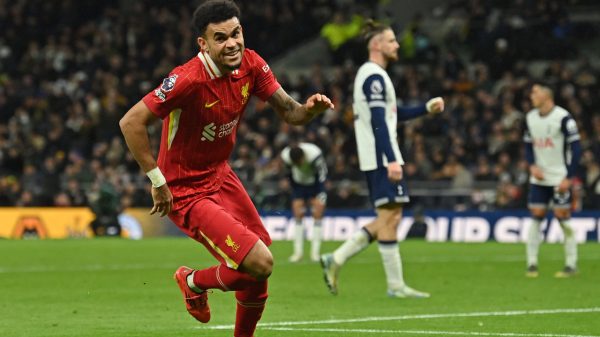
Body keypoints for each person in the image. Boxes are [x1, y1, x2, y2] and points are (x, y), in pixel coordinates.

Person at [119, 1, 334, 336]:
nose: (232, 43)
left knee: (257, 274)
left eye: (236, 33)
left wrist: (309, 110)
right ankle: (192, 281)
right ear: (203, 44)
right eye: (220, 38)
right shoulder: (186, 79)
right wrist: (157, 180)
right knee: (259, 263)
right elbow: (131, 122)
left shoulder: (251, 64)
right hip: (186, 190)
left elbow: (290, 112)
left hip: (221, 176)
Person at [320, 20, 444, 298]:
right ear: (376, 45)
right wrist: (390, 158)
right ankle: (394, 285)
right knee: (390, 218)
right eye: (391, 40)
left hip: (378, 155)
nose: (397, 44)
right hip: (380, 156)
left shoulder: (374, 75)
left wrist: (425, 108)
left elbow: (391, 115)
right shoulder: (373, 76)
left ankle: (337, 259)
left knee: (391, 217)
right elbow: (378, 121)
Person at [523, 83, 582, 278]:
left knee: (563, 219)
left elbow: (576, 149)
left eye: (535, 92)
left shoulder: (563, 118)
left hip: (559, 179)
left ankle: (571, 264)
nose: (532, 95)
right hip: (539, 178)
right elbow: (528, 145)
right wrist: (532, 165)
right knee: (536, 217)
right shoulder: (530, 118)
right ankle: (531, 264)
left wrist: (569, 177)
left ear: (547, 97)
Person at [281, 142, 327, 262]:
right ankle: (298, 253)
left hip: (315, 185)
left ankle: (315, 253)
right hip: (298, 185)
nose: (299, 165)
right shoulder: (286, 156)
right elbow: (287, 173)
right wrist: (292, 187)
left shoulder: (315, 154)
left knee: (317, 214)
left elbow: (322, 174)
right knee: (298, 215)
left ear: (304, 157)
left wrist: (322, 192)